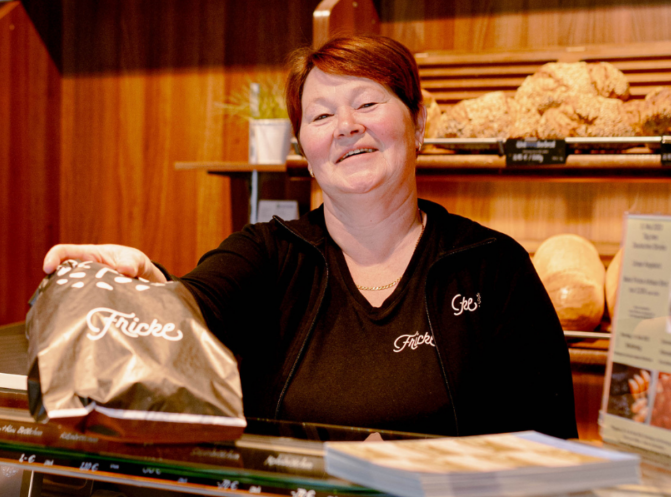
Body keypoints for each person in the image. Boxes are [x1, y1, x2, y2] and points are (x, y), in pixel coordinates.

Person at [43, 35, 578, 439]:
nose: (346, 125)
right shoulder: (267, 255)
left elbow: (551, 452)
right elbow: (197, 301)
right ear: (304, 150)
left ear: (418, 123)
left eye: (368, 104)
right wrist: (148, 285)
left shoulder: (492, 267)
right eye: (321, 115)